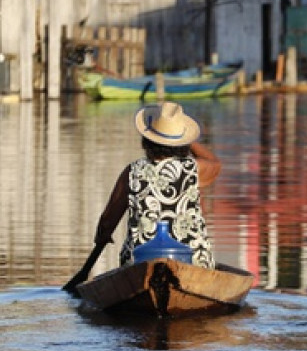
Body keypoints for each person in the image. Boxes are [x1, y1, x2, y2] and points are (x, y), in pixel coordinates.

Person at [95, 101, 221, 270]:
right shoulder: (194, 169)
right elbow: (214, 162)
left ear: (147, 141)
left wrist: (101, 237)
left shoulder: (132, 172)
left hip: (139, 263)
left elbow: (107, 222)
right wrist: (186, 140)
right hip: (194, 261)